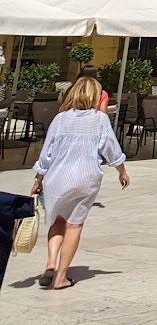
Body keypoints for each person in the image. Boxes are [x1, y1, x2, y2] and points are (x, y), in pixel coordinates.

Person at [28, 76, 130, 290]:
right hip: (85, 178)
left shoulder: (60, 119)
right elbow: (111, 149)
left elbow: (47, 154)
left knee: (57, 221)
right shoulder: (99, 119)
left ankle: (51, 263)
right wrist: (122, 171)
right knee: (74, 225)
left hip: (57, 178)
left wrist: (38, 179)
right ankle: (61, 277)